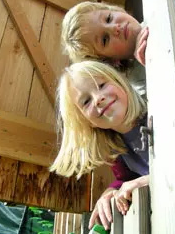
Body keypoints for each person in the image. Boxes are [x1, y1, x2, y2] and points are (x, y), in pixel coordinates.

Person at [50, 60, 149, 230]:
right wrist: (107, 194)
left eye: (101, 85)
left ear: (120, 81)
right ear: (86, 121)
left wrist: (148, 181)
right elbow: (125, 179)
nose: (98, 98)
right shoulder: (117, 149)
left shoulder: (158, 111)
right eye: (86, 101)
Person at [61, 1, 149, 99]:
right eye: (104, 40)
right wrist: (151, 65)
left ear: (116, 10)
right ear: (111, 61)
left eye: (108, 19)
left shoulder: (154, 7)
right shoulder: (140, 85)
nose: (115, 28)